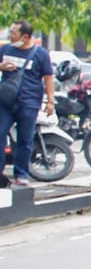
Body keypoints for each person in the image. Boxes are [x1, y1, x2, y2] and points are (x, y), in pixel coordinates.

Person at [0, 21, 56, 187]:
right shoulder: (5, 49)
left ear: (25, 37)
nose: (10, 36)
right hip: (6, 102)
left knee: (25, 140)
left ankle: (21, 174)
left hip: (29, 103)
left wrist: (51, 101)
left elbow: (48, 78)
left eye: (13, 33)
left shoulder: (40, 54)